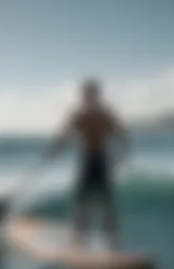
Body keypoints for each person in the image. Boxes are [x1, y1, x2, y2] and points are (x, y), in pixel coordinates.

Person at [44, 78, 128, 250]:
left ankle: (112, 241)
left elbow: (121, 135)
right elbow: (64, 134)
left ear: (97, 95)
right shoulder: (78, 115)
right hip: (86, 159)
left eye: (92, 94)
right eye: (87, 95)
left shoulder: (105, 115)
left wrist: (120, 156)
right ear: (83, 96)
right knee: (82, 200)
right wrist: (54, 150)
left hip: (101, 159)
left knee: (105, 202)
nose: (89, 98)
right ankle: (78, 239)